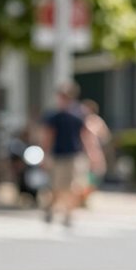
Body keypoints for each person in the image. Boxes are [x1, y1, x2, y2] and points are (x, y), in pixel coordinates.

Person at [41, 82, 102, 226]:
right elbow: (48, 137)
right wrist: (45, 155)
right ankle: (51, 207)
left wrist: (93, 154)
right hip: (58, 155)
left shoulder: (79, 115)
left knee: (74, 186)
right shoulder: (54, 116)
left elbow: (86, 136)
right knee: (56, 187)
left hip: (75, 155)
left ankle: (68, 213)